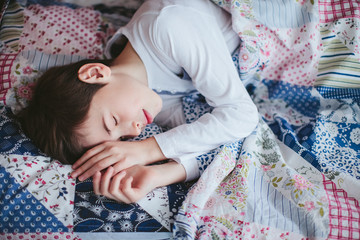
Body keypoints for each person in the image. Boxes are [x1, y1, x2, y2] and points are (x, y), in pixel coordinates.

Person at [18, 0, 258, 204]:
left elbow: (242, 115)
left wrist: (148, 149)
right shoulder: (149, 100)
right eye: (122, 141)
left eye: (112, 121)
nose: (133, 133)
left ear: (95, 74)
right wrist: (159, 174)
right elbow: (223, 138)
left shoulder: (167, 26)